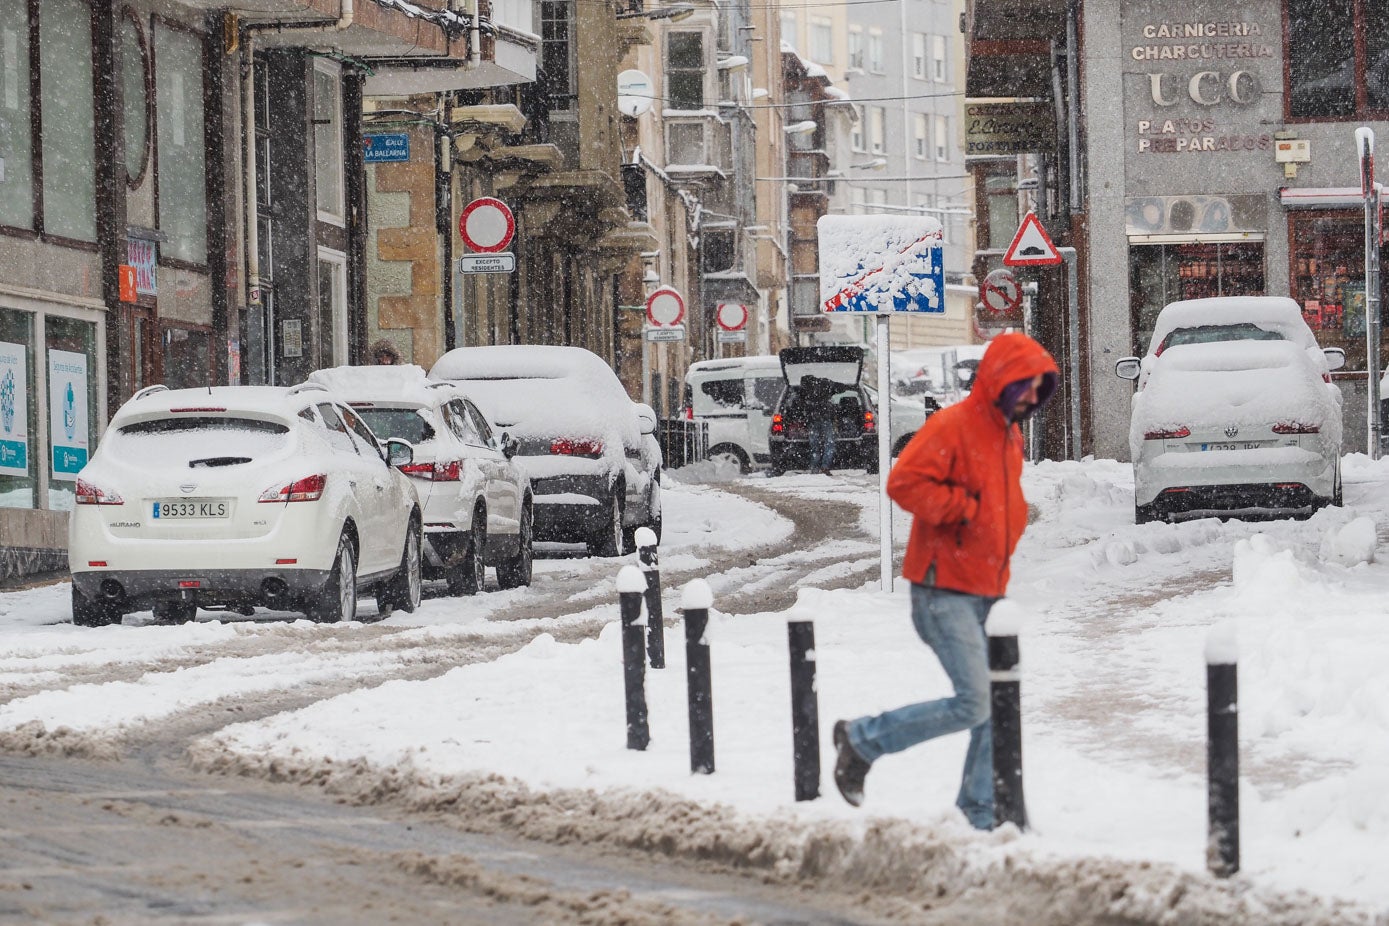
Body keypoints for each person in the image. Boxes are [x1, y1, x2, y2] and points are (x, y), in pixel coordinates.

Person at [831, 332, 1058, 830]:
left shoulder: (1007, 433)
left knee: (995, 703)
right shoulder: (953, 424)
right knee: (977, 700)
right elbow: (903, 482)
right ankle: (862, 739)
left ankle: (980, 812)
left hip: (987, 589)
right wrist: (965, 512)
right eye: (1023, 386)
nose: (1030, 398)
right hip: (942, 589)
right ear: (1000, 381)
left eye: (1038, 389)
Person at [800, 375, 837, 475]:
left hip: (813, 419)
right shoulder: (826, 385)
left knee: (814, 445)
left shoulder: (806, 389)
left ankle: (814, 468)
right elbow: (840, 388)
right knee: (829, 444)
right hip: (825, 418)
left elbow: (802, 404)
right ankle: (825, 466)